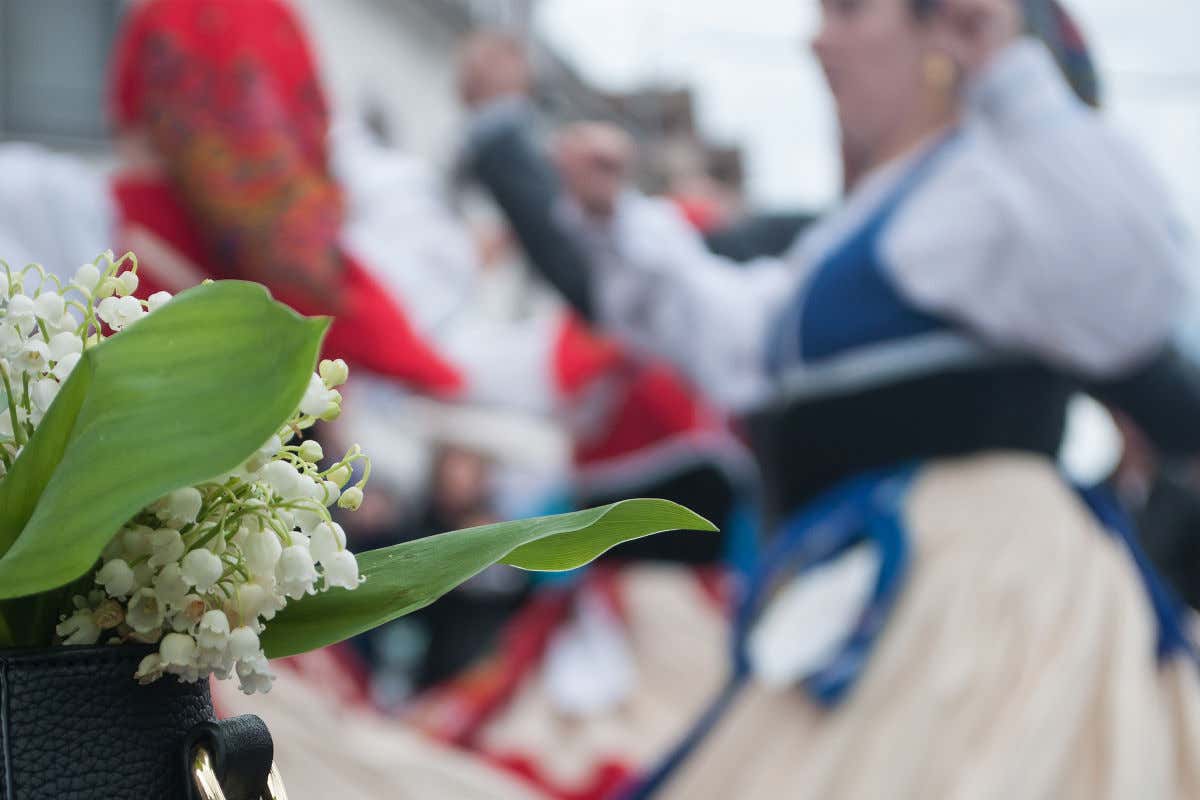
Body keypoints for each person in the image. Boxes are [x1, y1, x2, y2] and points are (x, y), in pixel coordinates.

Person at [460, 0, 1200, 796]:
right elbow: (736, 338)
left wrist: (1011, 73)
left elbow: (1131, 287)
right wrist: (614, 220)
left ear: (941, 36)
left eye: (849, 10)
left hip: (973, 601)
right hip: (879, 590)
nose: (819, 38)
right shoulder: (879, 218)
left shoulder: (990, 193)